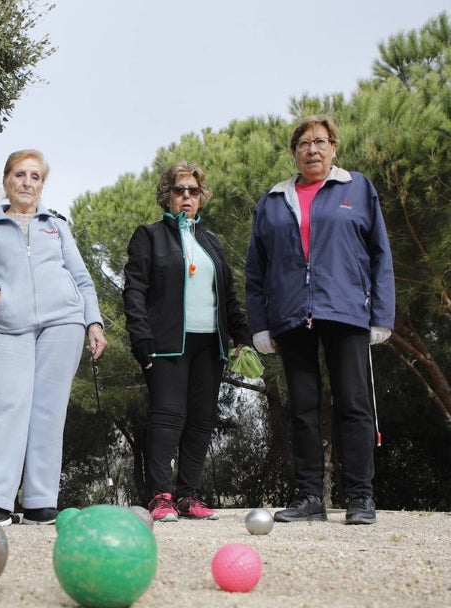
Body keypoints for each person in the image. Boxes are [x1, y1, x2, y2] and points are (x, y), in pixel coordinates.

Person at [245, 114, 395, 525]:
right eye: (304, 143)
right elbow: (255, 269)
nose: (312, 149)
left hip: (346, 311)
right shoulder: (273, 200)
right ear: (293, 153)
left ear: (334, 148)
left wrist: (381, 315)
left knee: (354, 405)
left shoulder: (358, 188)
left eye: (320, 142)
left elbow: (380, 254)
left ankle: (361, 497)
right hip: (291, 315)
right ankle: (310, 497)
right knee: (303, 409)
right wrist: (259, 324)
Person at [0, 149, 107, 526]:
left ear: (42, 184)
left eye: (35, 176)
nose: (27, 182)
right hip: (8, 327)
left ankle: (41, 500)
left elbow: (82, 279)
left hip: (63, 325)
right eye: (20, 175)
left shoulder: (57, 226)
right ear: (6, 183)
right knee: (5, 408)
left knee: (48, 412)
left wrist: (93, 323)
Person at [122, 162, 251, 522]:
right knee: (167, 418)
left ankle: (188, 496)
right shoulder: (148, 237)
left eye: (193, 191)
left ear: (201, 198)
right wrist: (140, 338)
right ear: (167, 195)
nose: (186, 197)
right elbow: (134, 290)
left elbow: (228, 297)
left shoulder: (211, 242)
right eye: (179, 190)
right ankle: (160, 497)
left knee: (200, 420)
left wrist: (242, 336)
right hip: (165, 344)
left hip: (210, 344)